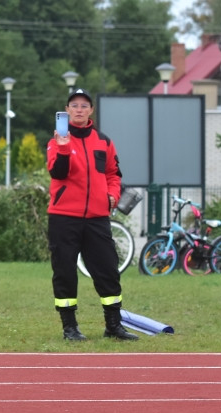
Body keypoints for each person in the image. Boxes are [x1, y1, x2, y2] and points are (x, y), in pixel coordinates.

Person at [46, 88, 137, 342]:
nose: (79, 109)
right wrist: (64, 148)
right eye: (74, 105)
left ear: (91, 111)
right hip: (64, 217)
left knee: (108, 270)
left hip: (97, 218)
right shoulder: (56, 141)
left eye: (84, 105)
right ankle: (70, 328)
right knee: (64, 272)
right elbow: (58, 174)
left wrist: (112, 195)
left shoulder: (104, 141)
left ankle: (113, 325)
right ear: (66, 111)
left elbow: (114, 175)